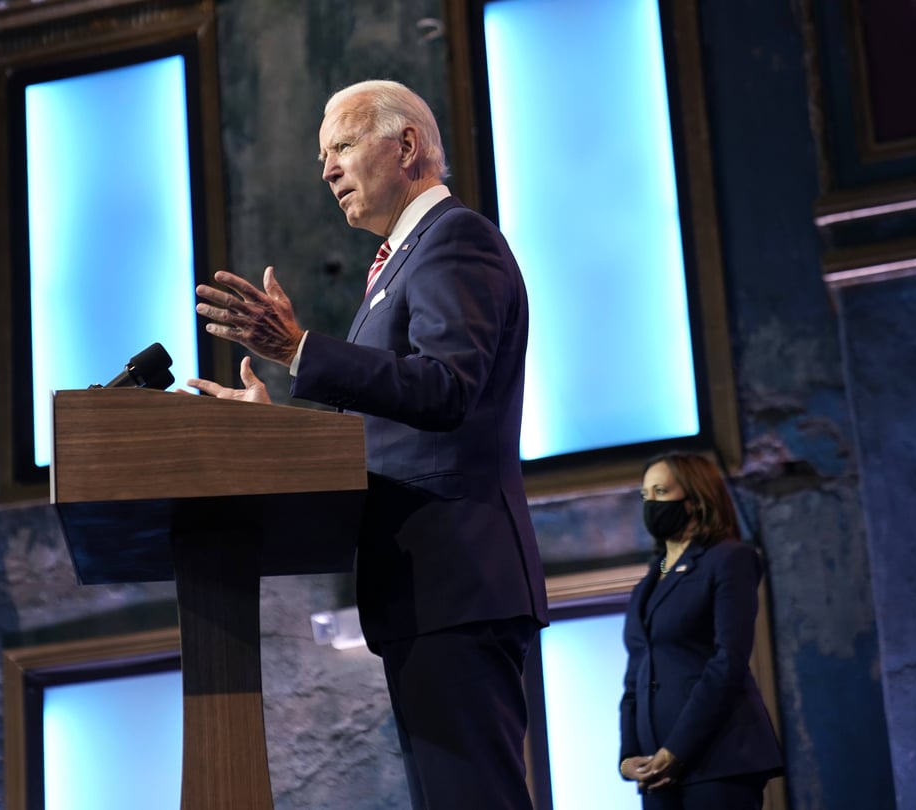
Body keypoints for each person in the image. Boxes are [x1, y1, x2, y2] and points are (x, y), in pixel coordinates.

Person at [188, 79, 548, 810]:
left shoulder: (454, 239)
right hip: (421, 587)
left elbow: (445, 387)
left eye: (342, 146)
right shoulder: (399, 261)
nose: (326, 170)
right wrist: (276, 425)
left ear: (406, 145)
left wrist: (300, 350)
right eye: (325, 155)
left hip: (455, 577)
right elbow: (384, 423)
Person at [619, 451, 783, 809]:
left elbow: (729, 661)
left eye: (660, 492)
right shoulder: (648, 582)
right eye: (645, 495)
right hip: (656, 772)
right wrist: (629, 755)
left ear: (694, 500)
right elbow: (635, 675)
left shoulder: (728, 559)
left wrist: (676, 750)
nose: (651, 504)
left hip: (717, 759)